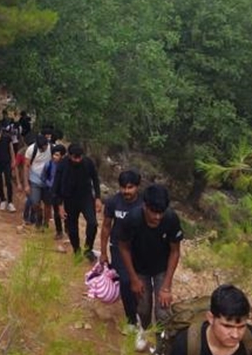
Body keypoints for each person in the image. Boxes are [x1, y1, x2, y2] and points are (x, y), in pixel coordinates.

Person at [116, 183, 183, 336]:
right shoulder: (132, 219)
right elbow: (123, 247)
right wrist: (133, 278)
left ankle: (161, 344)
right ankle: (145, 332)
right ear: (145, 206)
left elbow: (175, 251)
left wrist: (166, 287)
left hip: (161, 268)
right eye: (154, 212)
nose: (157, 217)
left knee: (162, 311)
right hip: (139, 268)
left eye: (161, 212)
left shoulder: (171, 219)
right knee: (143, 308)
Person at [99, 169, 143, 342]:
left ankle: (141, 312)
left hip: (139, 249)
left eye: (130, 187)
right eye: (123, 187)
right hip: (118, 247)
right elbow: (106, 226)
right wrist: (103, 252)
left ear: (137, 187)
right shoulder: (113, 202)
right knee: (126, 280)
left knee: (140, 281)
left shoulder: (144, 204)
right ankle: (131, 320)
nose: (126, 191)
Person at [56, 143, 101, 262]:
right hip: (69, 198)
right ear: (69, 156)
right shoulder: (62, 165)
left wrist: (98, 197)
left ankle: (88, 249)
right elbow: (56, 186)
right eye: (75, 157)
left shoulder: (87, 163)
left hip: (86, 197)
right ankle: (76, 250)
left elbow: (95, 179)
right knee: (72, 227)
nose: (78, 160)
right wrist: (60, 206)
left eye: (80, 157)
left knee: (92, 223)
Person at [23, 133, 51, 226]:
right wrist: (26, 184)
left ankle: (46, 223)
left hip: (48, 181)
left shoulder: (51, 148)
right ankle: (39, 216)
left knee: (48, 203)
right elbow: (26, 166)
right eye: (42, 148)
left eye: (45, 147)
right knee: (35, 202)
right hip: (35, 179)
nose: (44, 149)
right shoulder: (31, 150)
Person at [41, 142, 66, 242]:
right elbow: (43, 176)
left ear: (62, 156)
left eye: (57, 155)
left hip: (64, 191)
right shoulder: (49, 164)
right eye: (54, 154)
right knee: (56, 211)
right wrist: (49, 184)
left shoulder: (66, 166)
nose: (54, 157)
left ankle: (68, 228)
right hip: (54, 191)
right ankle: (59, 231)